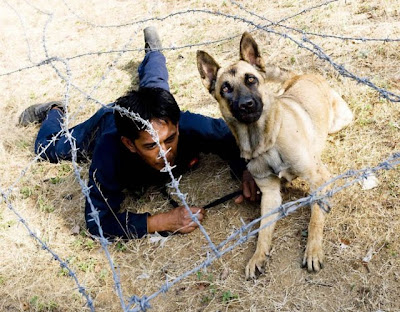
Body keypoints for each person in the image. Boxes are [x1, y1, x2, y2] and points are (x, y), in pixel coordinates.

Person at [19, 27, 258, 239]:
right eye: (151, 146)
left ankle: (154, 52)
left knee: (155, 84)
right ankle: (54, 110)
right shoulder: (109, 151)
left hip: (151, 109)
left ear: (176, 126)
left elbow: (232, 140)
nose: (164, 153)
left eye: (170, 140)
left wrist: (246, 170)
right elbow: (97, 222)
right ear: (130, 145)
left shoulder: (187, 126)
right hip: (109, 121)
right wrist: (161, 221)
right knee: (49, 149)